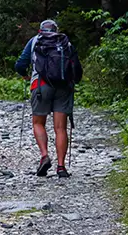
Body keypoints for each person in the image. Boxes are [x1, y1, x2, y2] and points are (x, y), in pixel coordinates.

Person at [15, 19, 83, 178]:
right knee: (60, 128)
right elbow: (77, 71)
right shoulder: (66, 43)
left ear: (41, 30)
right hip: (64, 87)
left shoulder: (34, 41)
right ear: (56, 29)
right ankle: (61, 167)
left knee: (38, 123)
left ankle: (45, 155)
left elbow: (19, 65)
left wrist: (25, 76)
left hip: (40, 86)